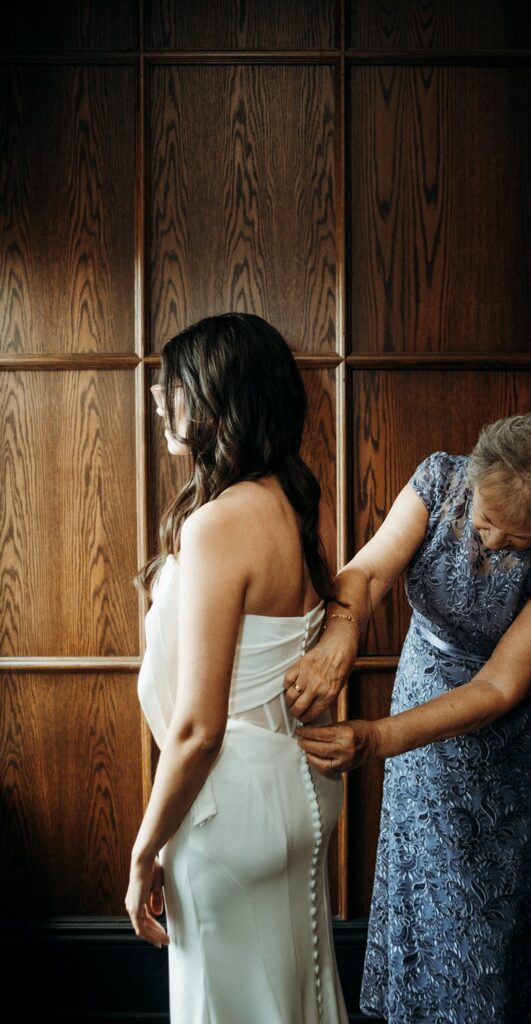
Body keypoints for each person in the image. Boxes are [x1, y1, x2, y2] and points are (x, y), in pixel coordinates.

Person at [286, 411, 531, 1024]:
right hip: (423, 693)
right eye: (486, 522)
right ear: (475, 474)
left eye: (518, 539)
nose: (492, 542)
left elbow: (500, 685)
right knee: (425, 885)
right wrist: (341, 631)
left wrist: (378, 738)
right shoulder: (439, 481)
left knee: (498, 916)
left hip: (520, 736)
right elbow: (370, 570)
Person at [126, 313, 348, 1024]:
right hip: (297, 785)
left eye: (173, 385)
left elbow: (197, 728)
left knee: (221, 1005)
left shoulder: (219, 523)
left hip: (228, 804)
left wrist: (143, 851)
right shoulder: (300, 500)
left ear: (216, 397)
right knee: (296, 992)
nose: (160, 399)